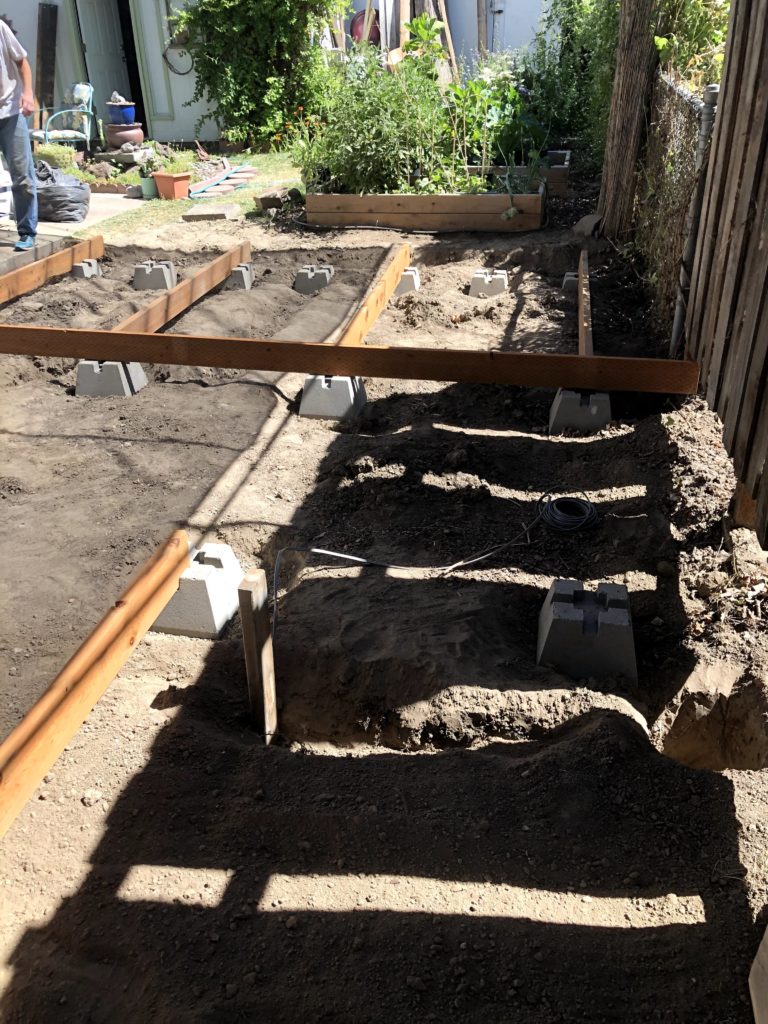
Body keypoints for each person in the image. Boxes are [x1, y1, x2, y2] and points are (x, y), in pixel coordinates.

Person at [0, 18, 37, 251]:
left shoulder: (0, 29)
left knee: (22, 177)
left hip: (10, 112)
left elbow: (21, 61)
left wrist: (28, 93)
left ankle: (27, 232)